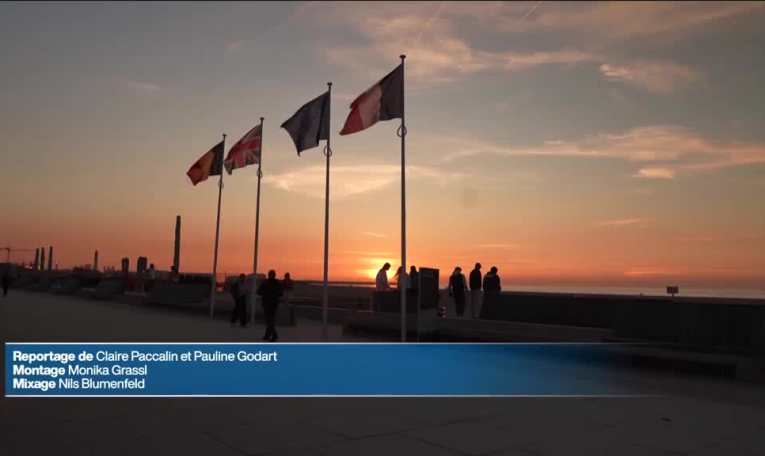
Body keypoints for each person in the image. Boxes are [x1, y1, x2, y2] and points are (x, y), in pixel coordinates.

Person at [258, 270, 283, 342]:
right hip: (274, 304)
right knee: (271, 320)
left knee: (268, 320)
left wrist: (265, 294)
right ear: (274, 275)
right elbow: (281, 294)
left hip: (267, 303)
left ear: (268, 275)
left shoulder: (265, 283)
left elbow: (259, 292)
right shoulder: (277, 283)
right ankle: (267, 335)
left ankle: (274, 335)